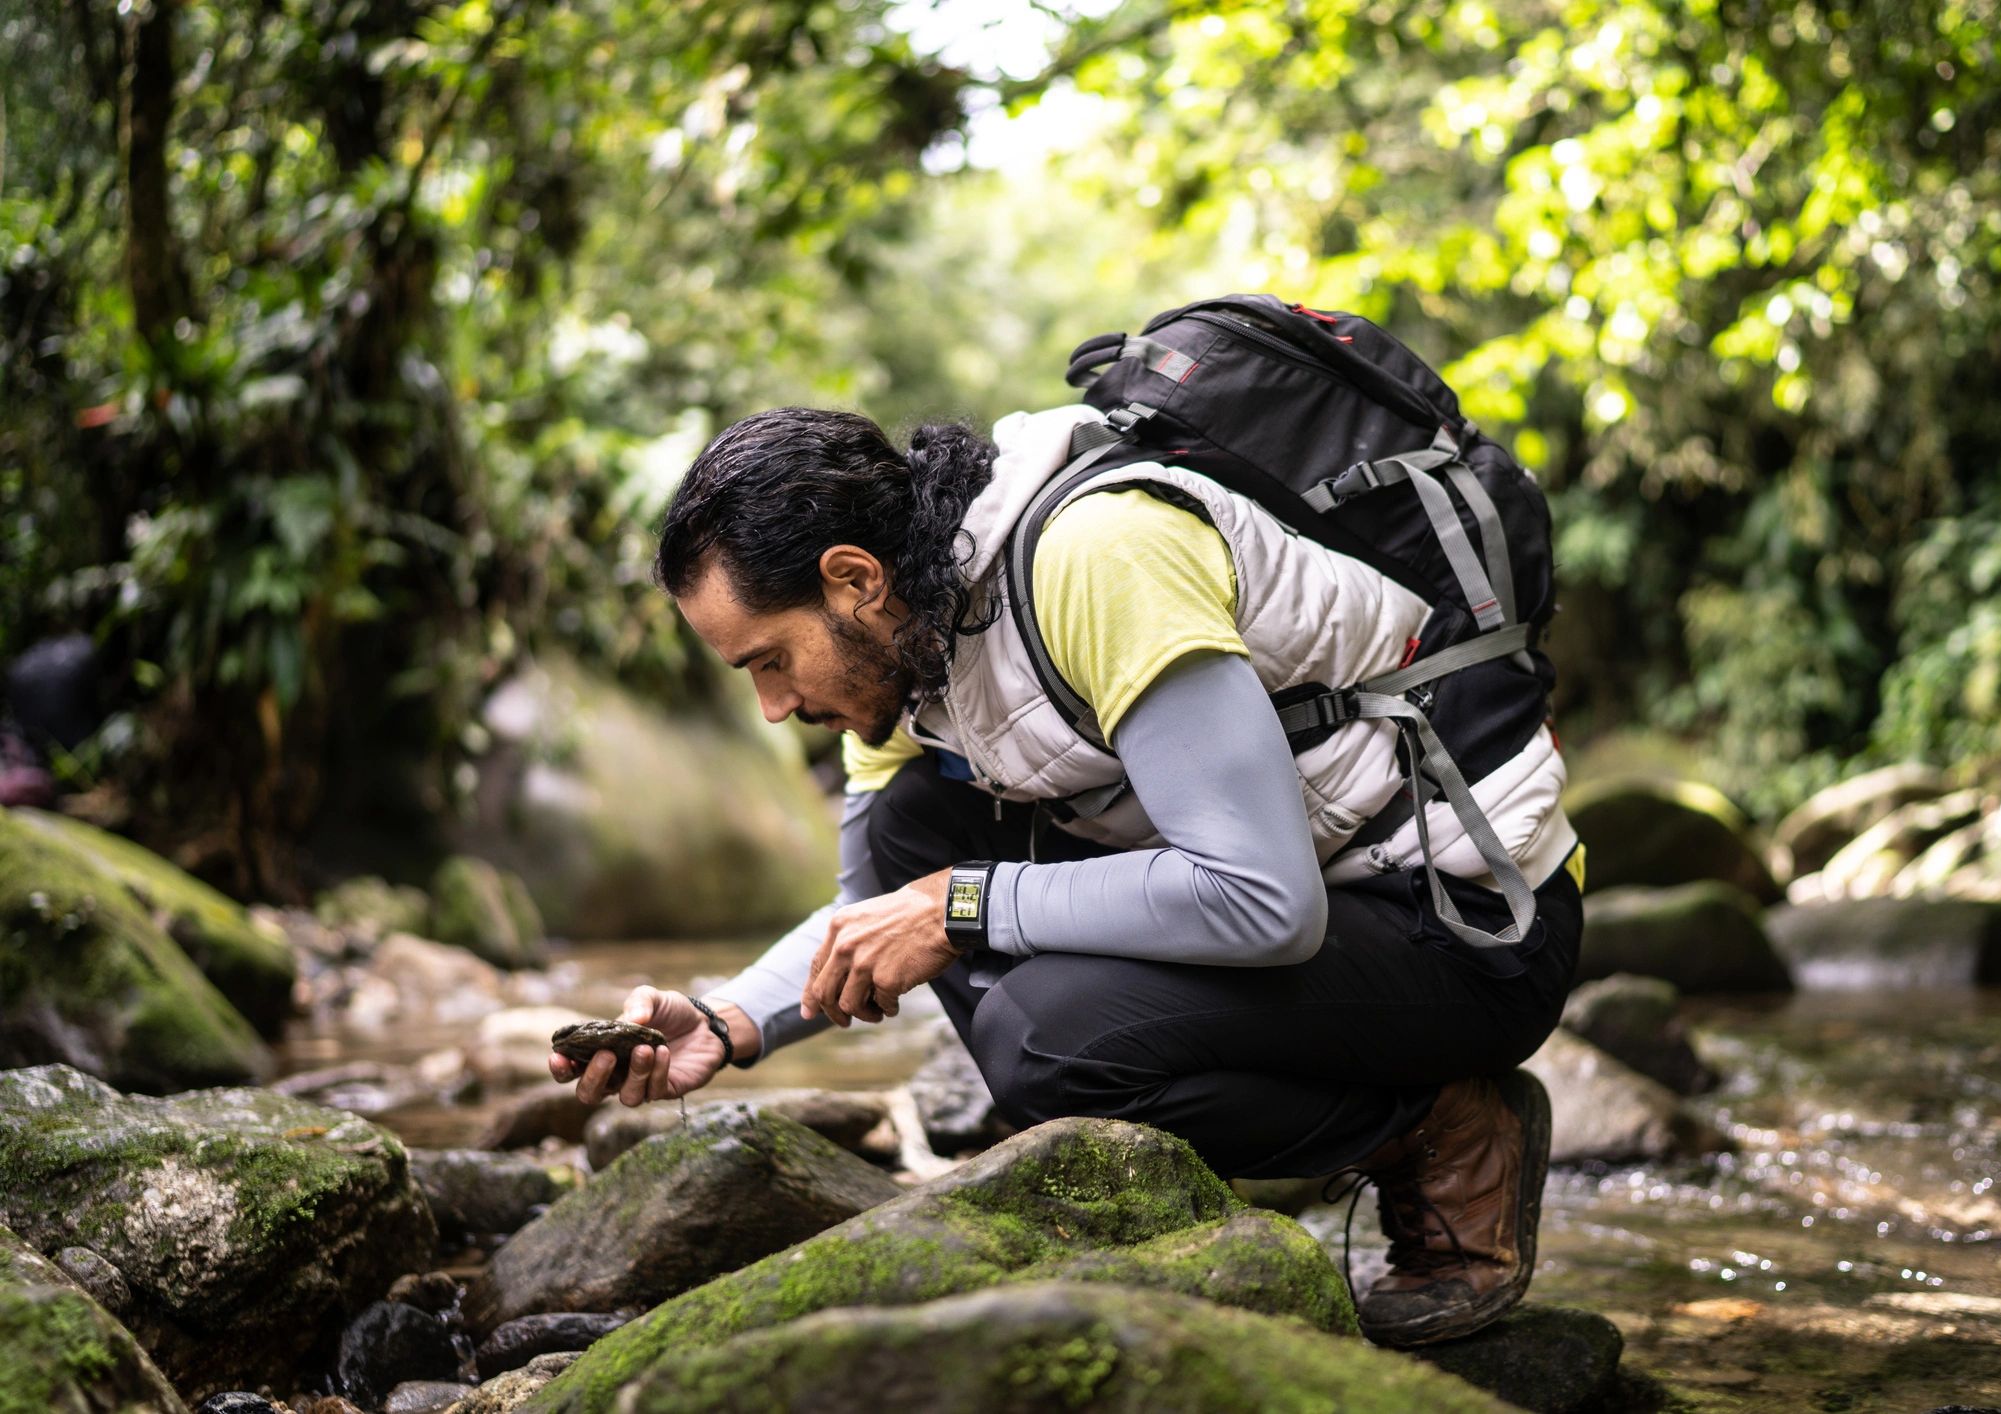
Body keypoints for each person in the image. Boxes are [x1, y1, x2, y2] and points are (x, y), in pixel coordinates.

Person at [547, 403, 1583, 1346]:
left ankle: (1439, 1126)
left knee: (1046, 1039)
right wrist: (726, 1023)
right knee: (917, 831)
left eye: (770, 659)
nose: (773, 706)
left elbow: (1263, 901)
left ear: (855, 579)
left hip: (1468, 929)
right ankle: (1236, 1116)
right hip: (1324, 899)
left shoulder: (1098, 556)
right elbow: (871, 911)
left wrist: (965, 907)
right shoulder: (912, 655)